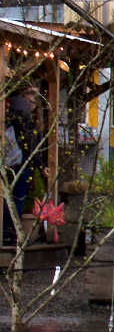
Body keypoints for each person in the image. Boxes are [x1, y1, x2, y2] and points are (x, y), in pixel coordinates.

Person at [3, 85, 42, 245]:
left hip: (20, 163)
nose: (34, 99)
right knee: (14, 199)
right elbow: (32, 144)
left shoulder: (23, 117)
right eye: (32, 94)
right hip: (18, 163)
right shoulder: (21, 116)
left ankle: (10, 233)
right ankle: (10, 234)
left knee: (14, 199)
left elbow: (35, 145)